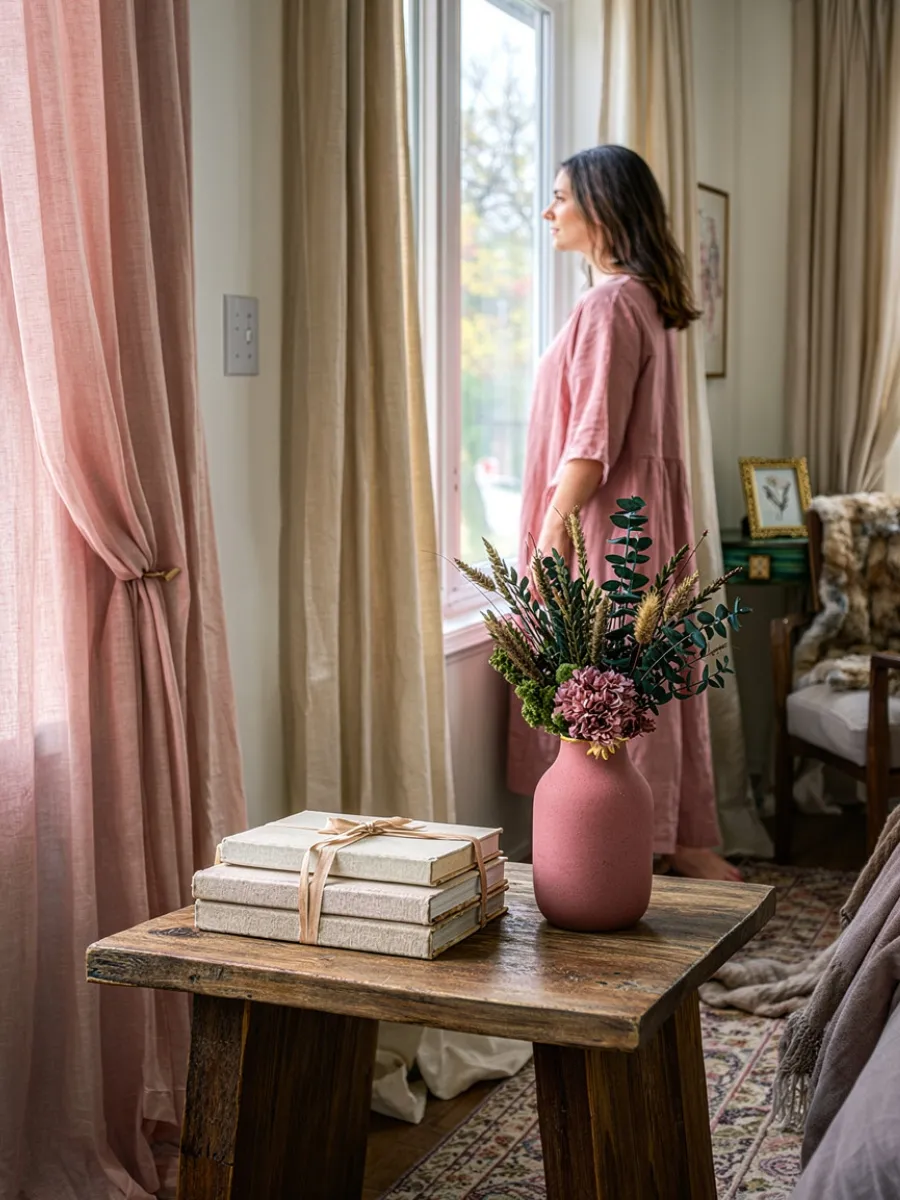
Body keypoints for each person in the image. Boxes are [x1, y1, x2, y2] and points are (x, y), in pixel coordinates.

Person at [507, 144, 741, 883]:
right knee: (646, 679)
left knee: (610, 686)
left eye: (560, 197)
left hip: (609, 528)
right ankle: (669, 839)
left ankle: (613, 857)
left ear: (601, 208)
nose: (549, 211)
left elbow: (591, 441)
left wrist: (551, 533)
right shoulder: (647, 299)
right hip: (644, 520)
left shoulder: (610, 303)